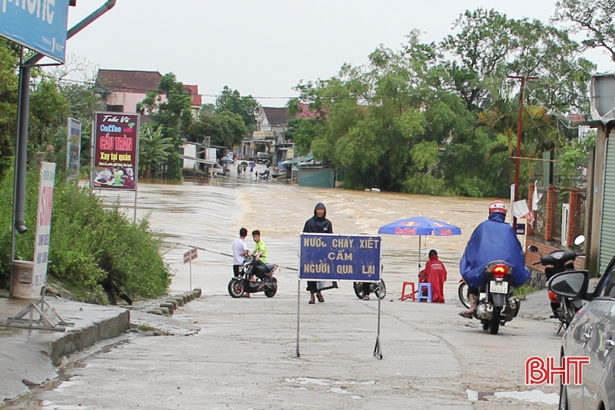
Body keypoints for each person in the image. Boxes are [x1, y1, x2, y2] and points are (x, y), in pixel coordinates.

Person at [459, 200, 531, 318]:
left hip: (486, 266)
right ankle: (508, 300)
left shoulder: (483, 227)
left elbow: (472, 246)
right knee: (511, 282)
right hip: (507, 266)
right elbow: (516, 248)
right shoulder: (508, 229)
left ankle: (472, 307)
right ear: (504, 214)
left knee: (472, 282)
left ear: (490, 212)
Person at [303, 203, 333, 304]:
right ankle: (312, 296)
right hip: (311, 254)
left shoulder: (328, 223)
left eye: (322, 210)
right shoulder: (309, 223)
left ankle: (319, 292)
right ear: (315, 211)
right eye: (318, 209)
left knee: (320, 275)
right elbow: (304, 239)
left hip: (323, 254)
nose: (320, 211)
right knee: (311, 275)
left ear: (324, 211)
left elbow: (331, 239)